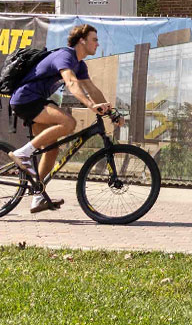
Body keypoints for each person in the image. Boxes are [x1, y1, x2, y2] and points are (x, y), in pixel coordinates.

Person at [7, 23, 113, 213]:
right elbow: (71, 82)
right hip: (26, 99)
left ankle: (37, 197)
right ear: (82, 41)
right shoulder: (66, 56)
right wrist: (90, 106)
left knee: (52, 149)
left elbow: (92, 89)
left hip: (36, 100)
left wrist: (111, 112)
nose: (97, 44)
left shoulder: (79, 64)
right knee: (68, 122)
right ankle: (22, 154)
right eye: (94, 40)